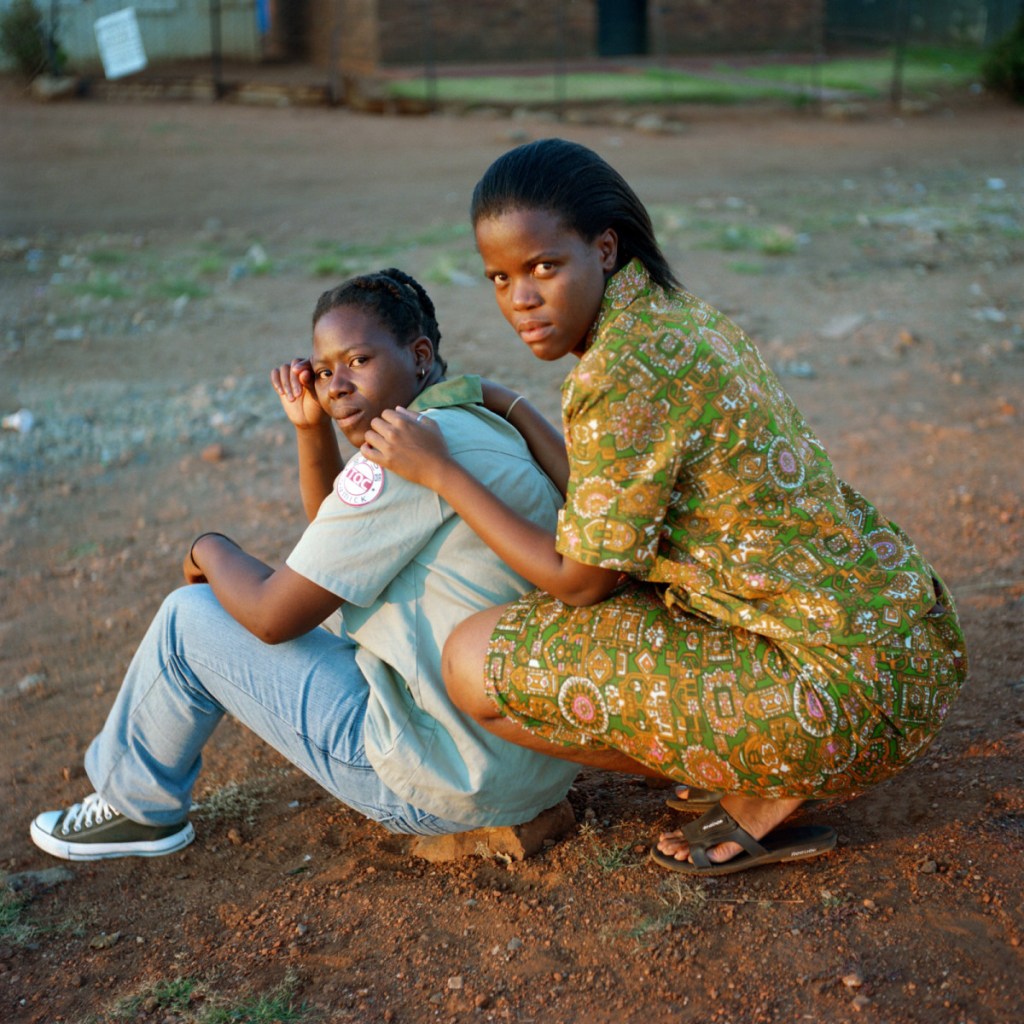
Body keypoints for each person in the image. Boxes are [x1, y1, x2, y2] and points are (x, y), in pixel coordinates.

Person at [361, 140, 968, 877]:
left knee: (468, 660)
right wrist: (512, 406)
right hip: (895, 646)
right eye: (500, 277)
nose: (521, 298)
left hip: (840, 696)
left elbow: (583, 578)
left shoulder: (622, 368)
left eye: (543, 267)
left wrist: (441, 472)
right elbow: (609, 499)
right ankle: (742, 752)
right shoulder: (669, 316)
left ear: (604, 248)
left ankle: (761, 782)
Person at [29, 267, 578, 861]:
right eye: (323, 371)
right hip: (533, 763)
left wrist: (207, 548)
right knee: (310, 608)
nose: (336, 385)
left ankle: (135, 808)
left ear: (419, 357)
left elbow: (273, 616)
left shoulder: (401, 456)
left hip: (451, 781)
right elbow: (334, 554)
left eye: (358, 360)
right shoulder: (473, 421)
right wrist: (310, 434)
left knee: (190, 615)